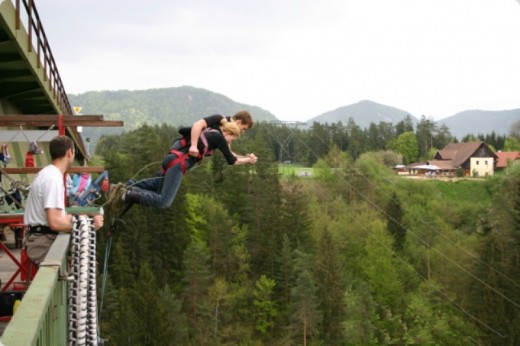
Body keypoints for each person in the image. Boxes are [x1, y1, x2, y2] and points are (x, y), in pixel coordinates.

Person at [108, 119, 257, 210]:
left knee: (156, 188)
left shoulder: (210, 131)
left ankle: (124, 188)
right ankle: (125, 195)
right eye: (232, 139)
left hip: (171, 159)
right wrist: (248, 160)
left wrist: (245, 157)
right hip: (178, 165)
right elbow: (231, 160)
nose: (230, 142)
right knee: (163, 201)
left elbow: (230, 153)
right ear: (229, 134)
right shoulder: (219, 138)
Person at [24, 136, 104, 265]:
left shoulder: (48, 174)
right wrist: (90, 225)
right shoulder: (53, 179)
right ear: (69, 152)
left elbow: (56, 217)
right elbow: (55, 222)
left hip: (40, 239)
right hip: (43, 243)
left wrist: (83, 218)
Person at [174, 110, 255, 159]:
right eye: (244, 128)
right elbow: (197, 125)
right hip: (182, 146)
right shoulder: (219, 118)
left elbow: (229, 153)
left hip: (191, 155)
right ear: (239, 122)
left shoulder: (230, 132)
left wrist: (245, 157)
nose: (243, 131)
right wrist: (194, 146)